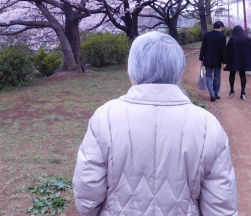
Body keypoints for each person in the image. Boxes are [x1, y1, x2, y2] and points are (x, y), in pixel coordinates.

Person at [73, 31, 238, 216]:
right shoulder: (207, 125)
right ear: (178, 69)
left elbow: (87, 195)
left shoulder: (105, 117)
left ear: (133, 69)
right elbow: (221, 204)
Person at [225, 25, 251, 100]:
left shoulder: (232, 39)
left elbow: (228, 50)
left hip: (234, 59)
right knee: (243, 75)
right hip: (244, 60)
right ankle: (243, 92)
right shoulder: (247, 38)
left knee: (232, 74)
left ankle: (232, 90)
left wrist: (225, 60)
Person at [199, 21, 227, 102]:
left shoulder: (206, 35)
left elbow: (203, 47)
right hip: (217, 60)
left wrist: (201, 57)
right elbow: (223, 50)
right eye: (222, 27)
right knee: (217, 77)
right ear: (220, 27)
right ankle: (216, 93)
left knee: (209, 76)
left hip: (207, 59)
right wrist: (224, 62)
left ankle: (212, 94)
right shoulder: (222, 37)